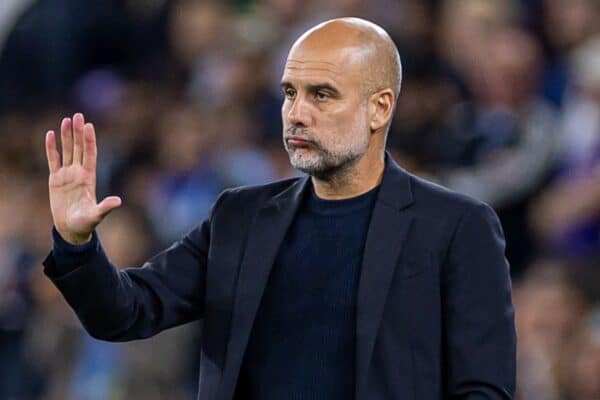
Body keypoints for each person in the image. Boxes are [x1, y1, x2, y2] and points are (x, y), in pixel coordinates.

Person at [42, 18, 516, 400]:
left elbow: (483, 387)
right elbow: (126, 312)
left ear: (380, 108)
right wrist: (77, 244)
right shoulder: (239, 218)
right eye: (290, 92)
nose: (296, 112)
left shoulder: (456, 227)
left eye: (322, 94)